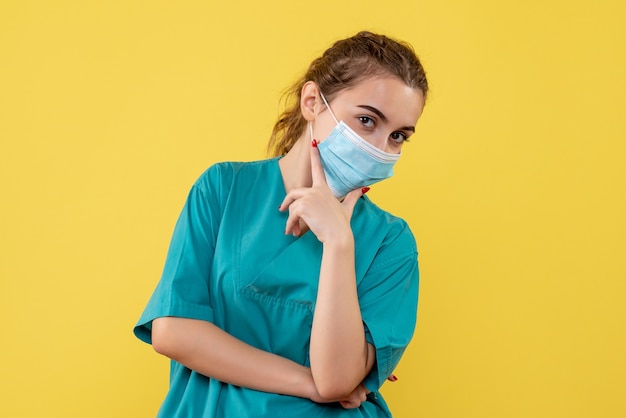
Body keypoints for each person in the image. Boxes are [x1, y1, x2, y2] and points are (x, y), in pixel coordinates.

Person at [134, 31, 429, 417]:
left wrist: (339, 243)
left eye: (397, 136)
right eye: (366, 120)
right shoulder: (224, 189)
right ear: (312, 102)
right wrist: (309, 383)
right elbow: (174, 331)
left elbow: (337, 379)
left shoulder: (390, 243)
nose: (380, 148)